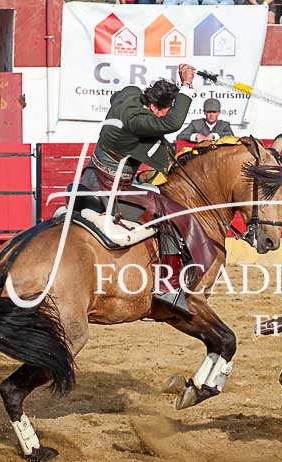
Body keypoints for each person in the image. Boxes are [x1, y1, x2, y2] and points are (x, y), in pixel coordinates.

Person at [82, 64, 205, 317]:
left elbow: (115, 98)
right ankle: (168, 285)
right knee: (167, 214)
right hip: (111, 189)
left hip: (93, 174)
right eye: (166, 109)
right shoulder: (138, 120)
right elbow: (172, 123)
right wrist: (187, 86)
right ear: (156, 107)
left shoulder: (130, 93)